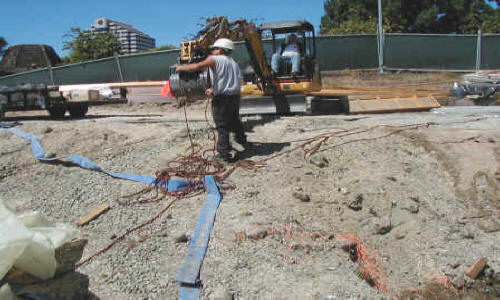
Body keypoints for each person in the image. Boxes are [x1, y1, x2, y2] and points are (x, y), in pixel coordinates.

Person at [176, 38, 248, 163]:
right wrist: (213, 89)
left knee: (222, 125)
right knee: (235, 120)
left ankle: (224, 154)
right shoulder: (233, 62)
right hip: (235, 97)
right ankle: (243, 141)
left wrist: (181, 68)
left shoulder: (214, 59)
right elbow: (229, 80)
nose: (212, 51)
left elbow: (196, 67)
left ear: (220, 50)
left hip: (222, 98)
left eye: (214, 49)